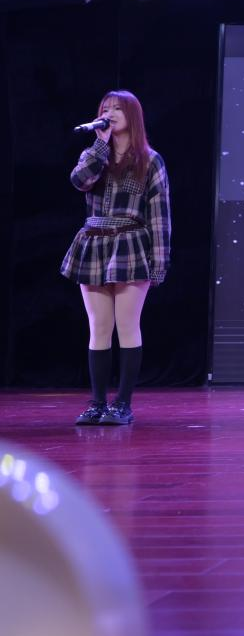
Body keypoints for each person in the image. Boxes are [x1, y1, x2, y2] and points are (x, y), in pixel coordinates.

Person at [61, 90, 171, 426]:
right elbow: (79, 181)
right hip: (94, 242)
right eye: (105, 108)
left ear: (132, 115)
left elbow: (160, 217)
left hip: (130, 245)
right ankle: (97, 403)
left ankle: (122, 404)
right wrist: (100, 145)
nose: (110, 113)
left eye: (117, 109)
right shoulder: (94, 154)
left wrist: (159, 263)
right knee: (98, 327)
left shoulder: (150, 160)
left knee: (127, 326)